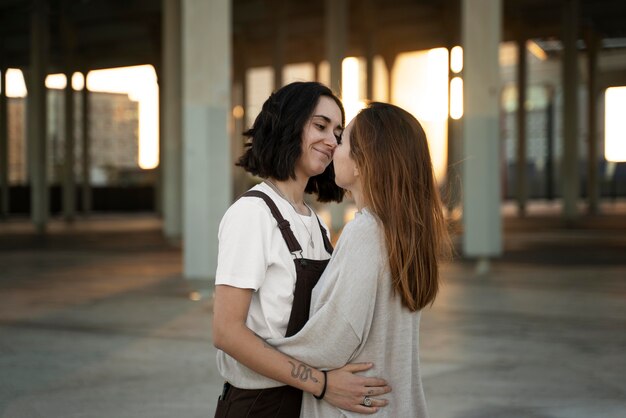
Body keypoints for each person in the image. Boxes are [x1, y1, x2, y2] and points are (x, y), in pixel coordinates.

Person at [212, 82, 391, 418]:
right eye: (320, 126)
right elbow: (226, 332)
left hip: (308, 402)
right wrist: (321, 384)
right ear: (288, 125)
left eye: (338, 132)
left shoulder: (316, 223)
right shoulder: (252, 214)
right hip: (261, 406)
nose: (332, 140)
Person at [266, 102, 452, 417]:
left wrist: (254, 353)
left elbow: (332, 342)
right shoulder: (404, 233)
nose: (333, 148)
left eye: (342, 141)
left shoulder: (366, 231)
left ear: (362, 163)